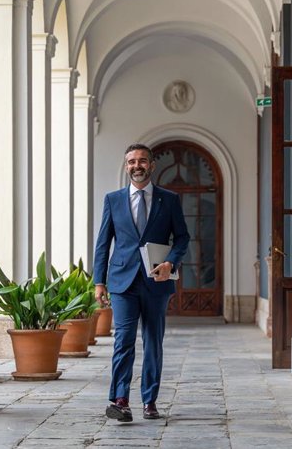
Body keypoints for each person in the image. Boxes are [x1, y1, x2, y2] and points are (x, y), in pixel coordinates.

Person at [93, 143, 190, 422]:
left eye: (143, 161)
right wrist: (99, 281)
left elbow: (182, 237)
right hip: (122, 281)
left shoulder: (168, 199)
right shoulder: (113, 199)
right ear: (126, 167)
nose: (137, 166)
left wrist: (171, 262)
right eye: (132, 161)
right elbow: (103, 243)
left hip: (156, 281)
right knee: (123, 340)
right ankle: (120, 400)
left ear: (152, 165)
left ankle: (150, 401)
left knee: (152, 342)